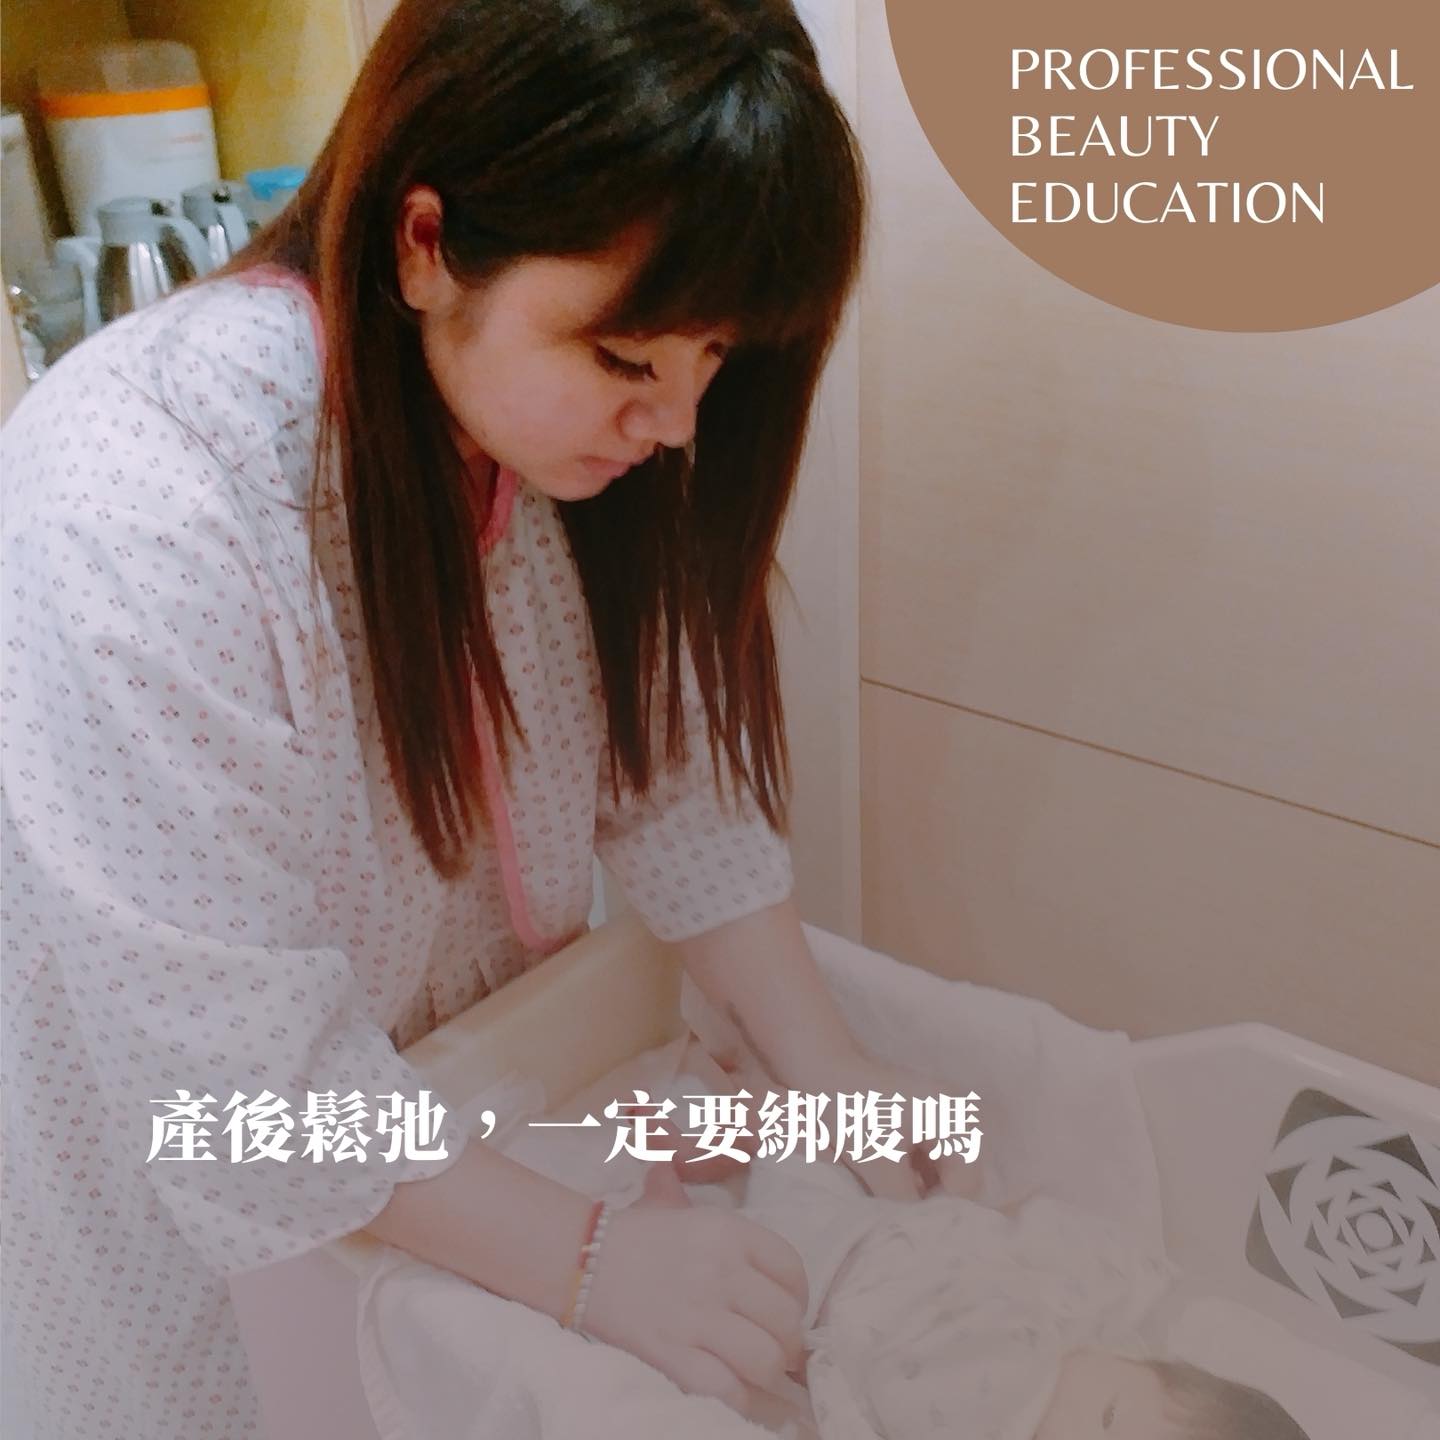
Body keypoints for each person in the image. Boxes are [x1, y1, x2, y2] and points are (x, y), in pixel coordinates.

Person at [0, 2, 973, 1436]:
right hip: (197, 1198)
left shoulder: (553, 443)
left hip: (444, 1125)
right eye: (627, 359)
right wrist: (586, 1260)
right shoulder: (140, 509)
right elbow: (229, 1067)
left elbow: (672, 778)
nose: (678, 423)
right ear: (426, 243)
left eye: (714, 358)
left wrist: (824, 1066)